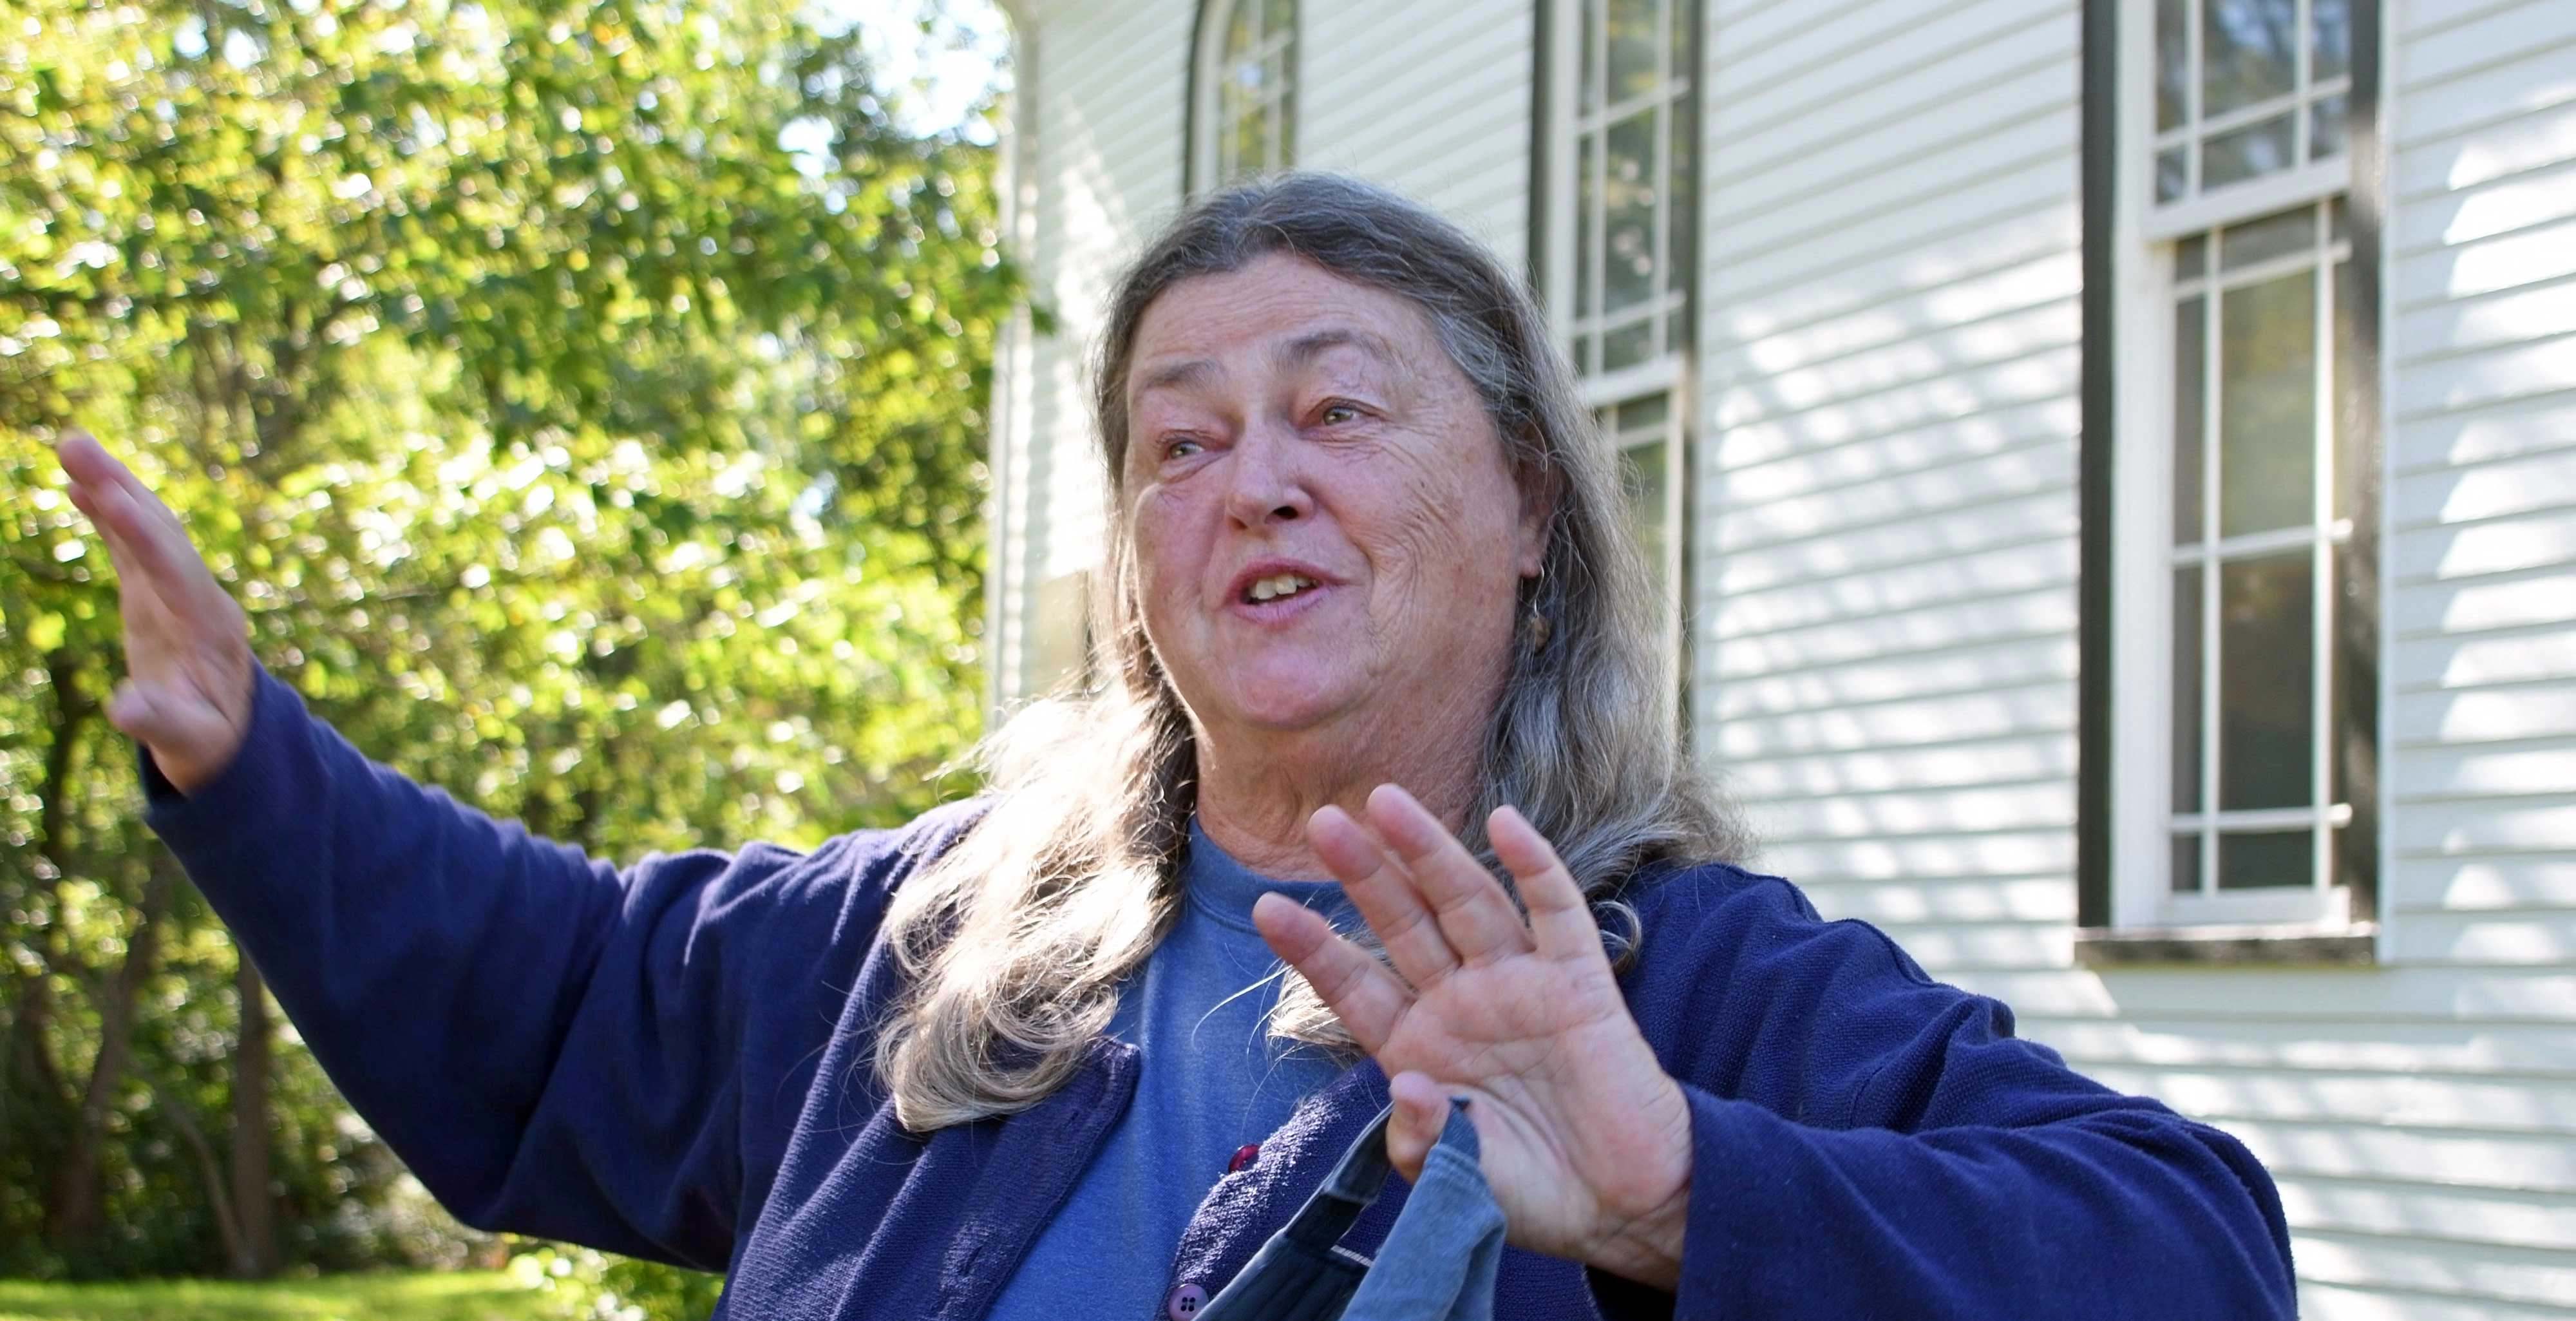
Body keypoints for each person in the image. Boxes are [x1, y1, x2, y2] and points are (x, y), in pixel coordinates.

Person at [57, 172, 2297, 1320]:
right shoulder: (923, 947)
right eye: (1181, 438)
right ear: (1138, 550)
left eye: (1338, 406)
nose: (1257, 480)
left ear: (1525, 504)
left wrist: (1678, 1190)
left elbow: (2200, 1255)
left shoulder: (1695, 986)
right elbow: (545, 992)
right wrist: (257, 762)